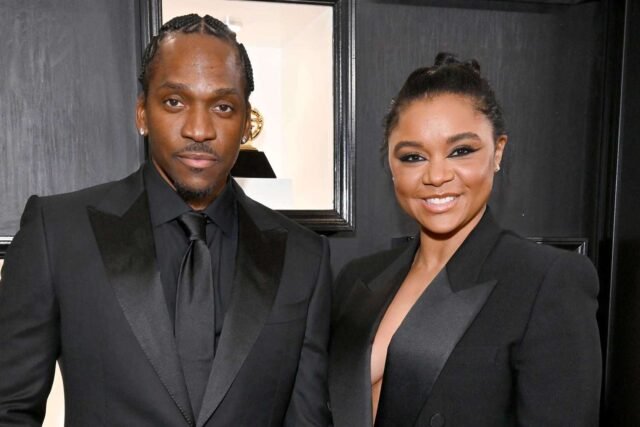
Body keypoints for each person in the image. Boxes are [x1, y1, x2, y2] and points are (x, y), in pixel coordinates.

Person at [0, 14, 331, 426]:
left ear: (247, 123)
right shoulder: (58, 233)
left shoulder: (303, 257)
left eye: (223, 107)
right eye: (175, 102)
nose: (199, 129)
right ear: (142, 113)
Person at [328, 53, 601, 426]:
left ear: (497, 151)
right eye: (413, 157)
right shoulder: (357, 278)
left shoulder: (547, 281)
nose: (437, 175)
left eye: (461, 151)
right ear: (390, 165)